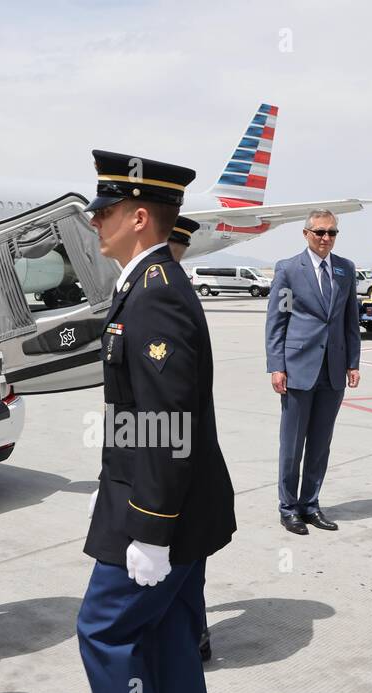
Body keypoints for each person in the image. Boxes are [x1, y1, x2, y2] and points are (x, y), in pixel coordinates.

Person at [77, 150, 236, 693]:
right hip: (167, 501)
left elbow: (169, 419)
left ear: (139, 218)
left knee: (102, 631)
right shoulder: (145, 283)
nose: (94, 219)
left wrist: (149, 527)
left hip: (156, 506)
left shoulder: (157, 290)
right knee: (168, 634)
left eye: (105, 210)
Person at [265, 209, 362, 535]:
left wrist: (353, 362)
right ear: (306, 233)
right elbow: (277, 322)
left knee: (320, 444)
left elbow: (351, 320)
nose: (326, 238)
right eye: (320, 232)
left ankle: (310, 504)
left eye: (332, 233)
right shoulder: (289, 270)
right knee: (292, 445)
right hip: (297, 369)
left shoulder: (345, 269)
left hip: (332, 370)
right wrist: (277, 366)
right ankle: (288, 507)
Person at [166, 214, 212, 663]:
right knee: (189, 557)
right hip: (189, 457)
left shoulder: (163, 296)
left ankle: (190, 632)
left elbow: (168, 408)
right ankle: (193, 630)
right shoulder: (179, 289)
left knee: (178, 559)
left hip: (172, 463)